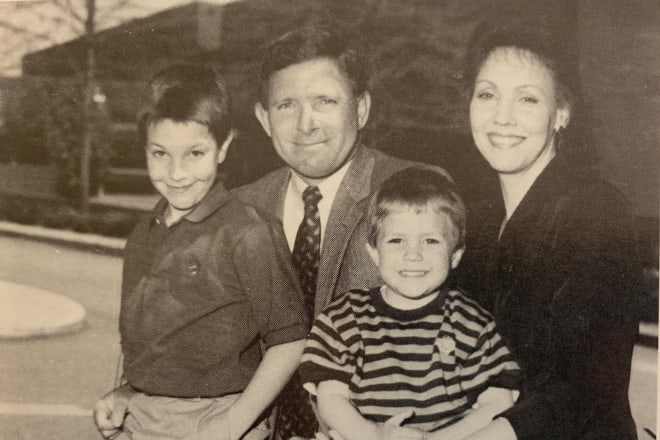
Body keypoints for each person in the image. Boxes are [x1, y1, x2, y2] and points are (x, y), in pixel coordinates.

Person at [233, 26, 450, 439]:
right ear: (264, 119)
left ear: (362, 108)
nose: (305, 124)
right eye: (286, 106)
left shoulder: (414, 191)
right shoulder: (241, 209)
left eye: (325, 102)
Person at [92, 64, 309, 440]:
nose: (176, 172)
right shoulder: (143, 236)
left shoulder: (248, 232)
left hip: (218, 415)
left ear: (222, 148)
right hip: (143, 416)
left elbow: (290, 340)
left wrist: (232, 424)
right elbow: (140, 342)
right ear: (144, 148)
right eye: (160, 154)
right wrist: (123, 392)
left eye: (194, 153)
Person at [455, 17, 641, 440]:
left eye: (527, 100)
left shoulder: (596, 211)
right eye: (487, 95)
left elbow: (581, 387)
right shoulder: (477, 222)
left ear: (562, 112)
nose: (502, 117)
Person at [299, 168, 522, 440]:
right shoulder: (343, 318)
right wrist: (374, 435)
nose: (413, 254)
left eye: (430, 240)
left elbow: (498, 401)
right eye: (397, 240)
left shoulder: (472, 322)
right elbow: (331, 397)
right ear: (374, 252)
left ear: (455, 255)